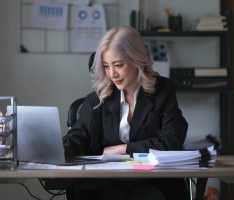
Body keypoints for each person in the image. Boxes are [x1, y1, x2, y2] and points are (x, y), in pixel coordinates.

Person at [63, 26, 189, 200]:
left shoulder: (163, 91)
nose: (112, 74)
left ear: (137, 60)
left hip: (152, 181)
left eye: (119, 65)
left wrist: (124, 149)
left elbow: (171, 141)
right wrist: (56, 148)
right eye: (106, 66)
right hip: (107, 182)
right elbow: (79, 135)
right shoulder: (97, 98)